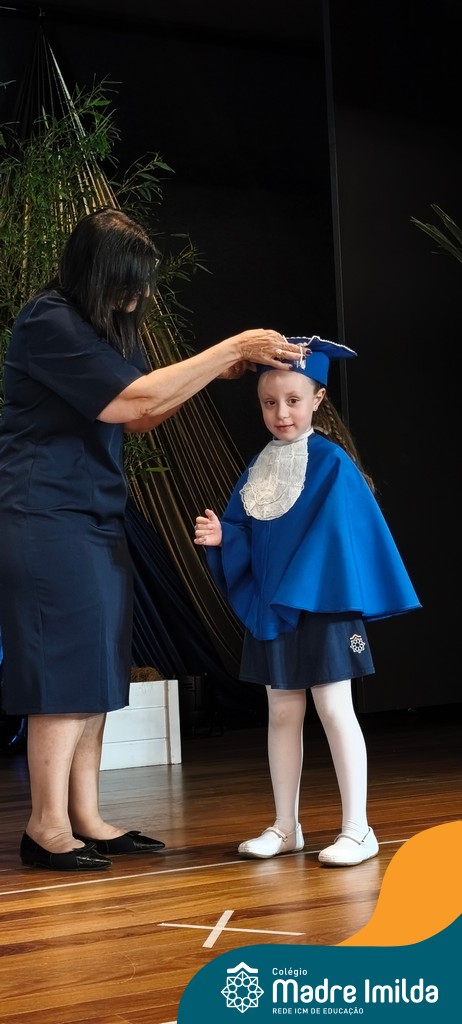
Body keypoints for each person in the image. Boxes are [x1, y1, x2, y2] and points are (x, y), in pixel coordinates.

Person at [0, 206, 303, 873]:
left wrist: (210, 371)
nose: (138, 293)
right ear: (97, 272)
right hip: (45, 514)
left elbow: (144, 416)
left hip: (94, 514)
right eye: (128, 279)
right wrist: (230, 349)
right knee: (63, 669)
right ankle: (46, 825)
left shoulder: (109, 328)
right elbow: (132, 402)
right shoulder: (50, 320)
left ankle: (86, 817)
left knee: (96, 666)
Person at [194, 336, 421, 866]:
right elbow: (247, 529)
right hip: (277, 606)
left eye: (293, 400)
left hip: (322, 604)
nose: (281, 413)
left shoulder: (333, 463)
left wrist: (296, 580)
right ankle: (285, 826)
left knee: (334, 707)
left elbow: (340, 540)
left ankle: (358, 829)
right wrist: (224, 538)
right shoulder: (260, 464)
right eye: (269, 402)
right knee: (281, 710)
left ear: (317, 399)